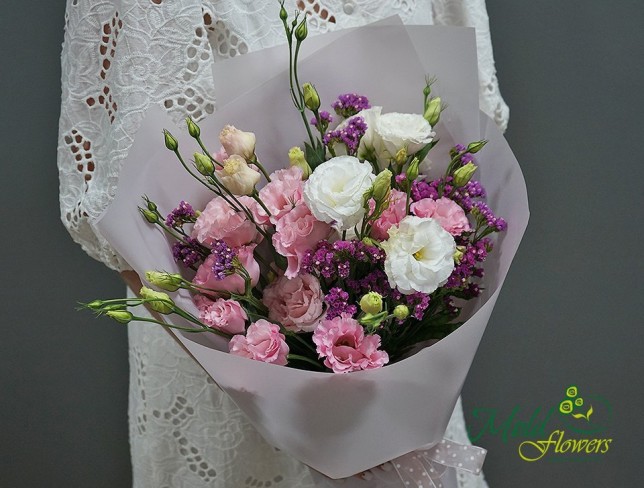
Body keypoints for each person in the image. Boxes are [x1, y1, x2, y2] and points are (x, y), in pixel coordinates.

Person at [58, 1, 508, 486]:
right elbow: (121, 215)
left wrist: (380, 422)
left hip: (401, 382)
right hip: (232, 384)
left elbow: (469, 117)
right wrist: (308, 424)